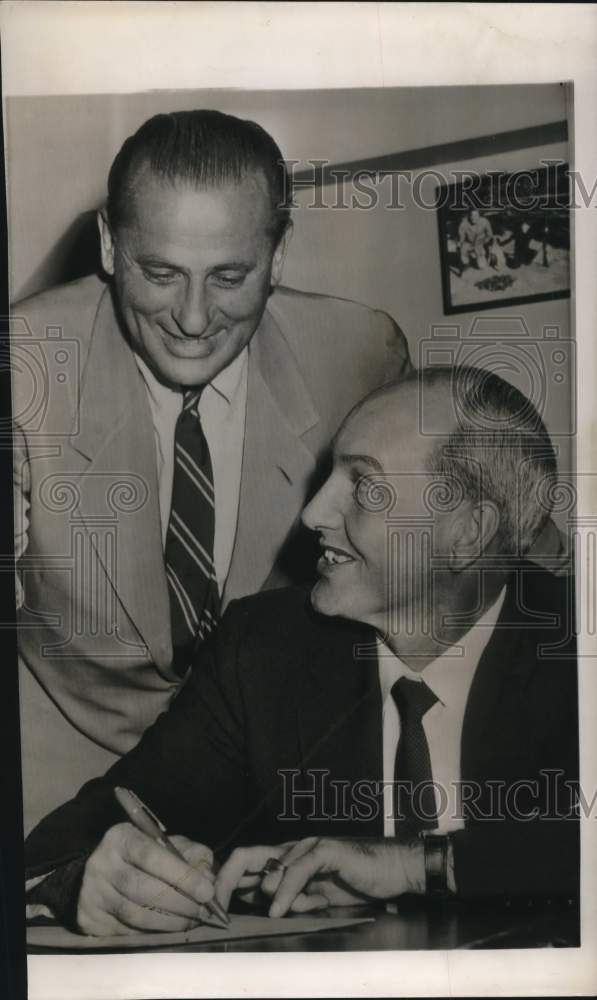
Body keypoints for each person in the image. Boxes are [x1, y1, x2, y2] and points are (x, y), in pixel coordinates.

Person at [25, 366, 578, 936]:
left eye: (365, 486)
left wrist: (422, 864)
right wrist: (86, 880)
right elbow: (79, 833)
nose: (313, 513)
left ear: (468, 532)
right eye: (328, 475)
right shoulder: (263, 650)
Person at [11, 110, 412, 832]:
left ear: (279, 254)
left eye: (230, 276)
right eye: (159, 273)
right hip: (58, 765)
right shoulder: (25, 365)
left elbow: (482, 552)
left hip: (275, 772)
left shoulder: (359, 352)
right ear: (108, 243)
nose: (194, 319)